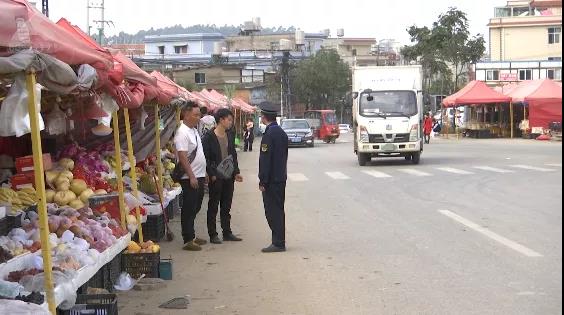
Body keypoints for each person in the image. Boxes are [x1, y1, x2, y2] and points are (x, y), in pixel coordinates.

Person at [202, 108, 244, 244]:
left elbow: (233, 155)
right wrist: (212, 174)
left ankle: (227, 232)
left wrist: (236, 172)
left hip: (229, 175)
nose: (231, 123)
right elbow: (206, 158)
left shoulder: (230, 134)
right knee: (213, 205)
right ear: (221, 120)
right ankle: (213, 234)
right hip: (216, 177)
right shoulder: (209, 137)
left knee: (226, 205)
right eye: (229, 120)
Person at [174, 101, 208, 251]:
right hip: (189, 178)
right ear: (186, 114)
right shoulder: (182, 132)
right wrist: (192, 176)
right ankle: (187, 238)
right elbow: (182, 156)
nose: (198, 117)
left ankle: (192, 235)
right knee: (189, 207)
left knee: (196, 205)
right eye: (195, 115)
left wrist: (204, 172)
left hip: (199, 175)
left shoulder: (193, 130)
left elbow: (198, 152)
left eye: (199, 114)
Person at [258, 101, 288, 253]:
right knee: (279, 209)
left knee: (272, 211)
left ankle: (278, 243)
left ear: (264, 117)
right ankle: (279, 240)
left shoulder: (269, 134)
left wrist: (263, 180)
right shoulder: (281, 133)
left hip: (271, 180)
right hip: (280, 178)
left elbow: (266, 160)